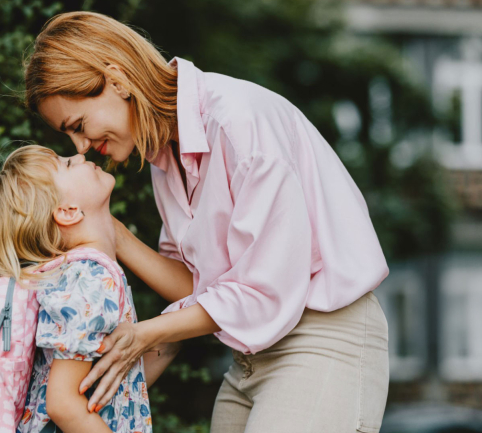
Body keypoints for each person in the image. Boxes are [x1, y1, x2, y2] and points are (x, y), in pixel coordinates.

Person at [24, 11, 391, 433]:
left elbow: (265, 291)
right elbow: (200, 290)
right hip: (250, 359)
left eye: (79, 125)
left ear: (118, 79)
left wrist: (147, 334)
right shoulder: (167, 154)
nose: (82, 147)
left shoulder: (239, 124)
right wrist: (113, 236)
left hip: (322, 341)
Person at [0, 145, 175, 433]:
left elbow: (104, 386)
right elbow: (63, 405)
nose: (79, 155)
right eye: (67, 165)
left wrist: (171, 341)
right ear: (68, 211)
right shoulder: (90, 278)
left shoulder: (75, 274)